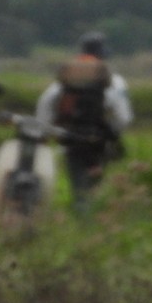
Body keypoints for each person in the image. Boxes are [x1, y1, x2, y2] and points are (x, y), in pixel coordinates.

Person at [36, 31, 132, 212]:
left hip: (70, 142)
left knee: (79, 189)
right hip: (98, 145)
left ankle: (81, 217)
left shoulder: (63, 83)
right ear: (103, 57)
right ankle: (88, 221)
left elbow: (44, 111)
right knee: (92, 189)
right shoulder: (115, 83)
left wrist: (49, 134)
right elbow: (124, 118)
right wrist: (110, 134)